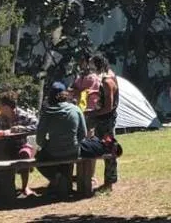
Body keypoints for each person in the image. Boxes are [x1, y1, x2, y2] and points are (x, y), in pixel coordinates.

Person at [35, 81, 86, 198]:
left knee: (38, 157)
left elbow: (39, 139)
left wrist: (47, 144)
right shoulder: (76, 109)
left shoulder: (48, 112)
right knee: (66, 158)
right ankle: (64, 184)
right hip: (73, 151)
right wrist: (75, 142)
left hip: (54, 152)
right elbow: (83, 133)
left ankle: (56, 178)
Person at [0, 91, 38, 197]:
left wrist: (24, 129)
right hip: (6, 146)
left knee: (24, 154)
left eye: (0, 105)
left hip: (22, 145)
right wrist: (2, 132)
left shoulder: (23, 115)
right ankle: (6, 187)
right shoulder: (1, 117)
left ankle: (25, 187)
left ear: (6, 106)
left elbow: (38, 125)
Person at [89, 54, 121, 190]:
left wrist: (93, 113)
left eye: (92, 66)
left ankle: (109, 182)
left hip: (106, 121)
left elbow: (109, 106)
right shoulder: (105, 77)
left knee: (109, 149)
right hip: (101, 119)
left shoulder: (108, 81)